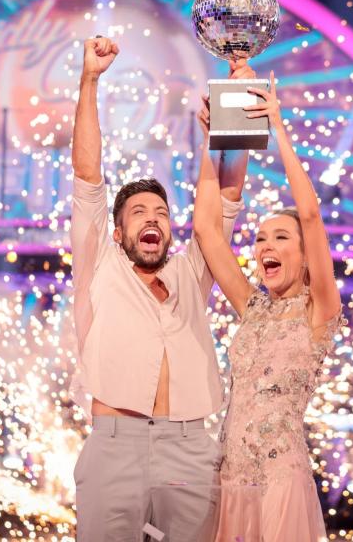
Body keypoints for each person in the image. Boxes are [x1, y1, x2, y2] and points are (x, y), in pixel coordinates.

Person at [69, 36, 251, 540]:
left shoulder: (193, 271)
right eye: (139, 215)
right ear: (119, 231)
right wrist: (90, 80)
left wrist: (233, 120)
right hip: (114, 446)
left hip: (191, 447)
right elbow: (87, 175)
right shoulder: (99, 263)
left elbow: (227, 197)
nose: (153, 220)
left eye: (162, 213)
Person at [193, 71, 345, 541]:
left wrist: (277, 125)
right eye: (260, 239)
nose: (265, 246)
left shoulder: (319, 310)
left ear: (303, 256)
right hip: (231, 479)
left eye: (281, 237)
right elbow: (206, 231)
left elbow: (313, 216)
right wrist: (212, 143)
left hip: (281, 484)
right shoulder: (253, 308)